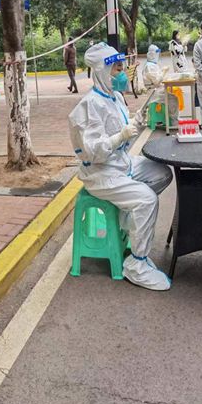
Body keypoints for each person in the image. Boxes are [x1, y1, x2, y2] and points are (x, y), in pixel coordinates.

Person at [68, 42, 173, 291]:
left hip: (120, 164)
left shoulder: (114, 97)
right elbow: (93, 152)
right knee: (146, 200)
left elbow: (122, 136)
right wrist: (121, 136)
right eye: (117, 69)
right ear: (102, 72)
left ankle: (129, 218)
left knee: (161, 173)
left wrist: (136, 123)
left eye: (121, 67)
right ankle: (136, 265)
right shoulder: (88, 106)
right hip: (101, 174)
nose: (122, 73)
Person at [142, 44, 179, 124]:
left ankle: (170, 120)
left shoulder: (152, 64)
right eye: (156, 53)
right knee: (173, 99)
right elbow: (157, 81)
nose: (158, 55)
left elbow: (157, 76)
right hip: (153, 91)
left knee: (173, 97)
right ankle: (173, 121)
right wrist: (164, 71)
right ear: (152, 54)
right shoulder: (149, 66)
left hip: (157, 89)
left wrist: (162, 71)